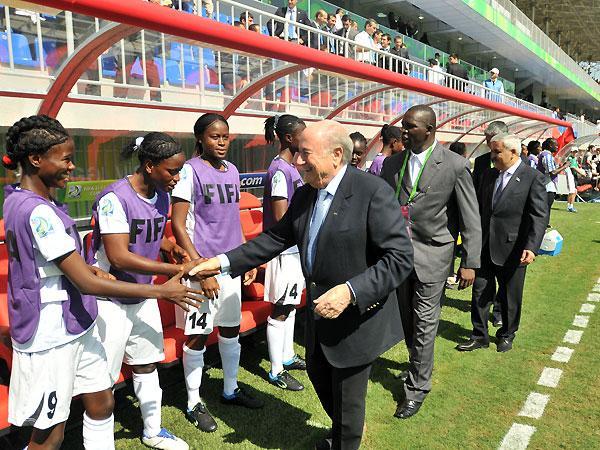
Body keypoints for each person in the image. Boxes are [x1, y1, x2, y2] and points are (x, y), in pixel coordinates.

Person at [190, 120, 414, 450]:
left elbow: (399, 258)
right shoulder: (307, 193)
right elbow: (276, 238)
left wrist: (351, 291)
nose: (297, 161)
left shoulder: (372, 192)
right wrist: (222, 262)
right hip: (319, 317)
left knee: (348, 402)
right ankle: (343, 432)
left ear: (336, 155)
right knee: (321, 378)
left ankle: (345, 439)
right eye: (297, 153)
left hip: (356, 320)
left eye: (305, 154)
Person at [2, 115, 203, 450]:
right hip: (51, 332)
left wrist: (91, 269)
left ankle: (151, 431)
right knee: (50, 436)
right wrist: (161, 289)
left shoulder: (30, 201)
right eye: (66, 159)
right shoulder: (37, 211)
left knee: (101, 402)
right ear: (36, 160)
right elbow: (87, 280)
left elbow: (53, 261)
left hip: (75, 323)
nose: (72, 166)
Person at [88, 133, 207, 450]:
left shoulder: (161, 194)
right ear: (150, 165)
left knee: (146, 364)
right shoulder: (115, 198)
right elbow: (118, 256)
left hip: (143, 295)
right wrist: (174, 270)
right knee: (102, 379)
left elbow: (147, 233)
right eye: (172, 171)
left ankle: (153, 432)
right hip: (109, 299)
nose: (177, 178)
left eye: (179, 171)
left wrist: (169, 246)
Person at [380, 105, 481, 419]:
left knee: (425, 322)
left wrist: (470, 262)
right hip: (399, 256)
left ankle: (416, 388)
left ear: (430, 129)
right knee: (408, 321)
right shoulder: (392, 164)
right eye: (403, 125)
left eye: (410, 126)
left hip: (434, 255)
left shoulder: (455, 165)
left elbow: (470, 218)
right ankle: (419, 364)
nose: (403, 131)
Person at [170, 113, 262, 434]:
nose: (222, 142)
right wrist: (199, 269)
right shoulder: (188, 171)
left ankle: (230, 389)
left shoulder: (232, 170)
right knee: (197, 335)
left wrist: (245, 259)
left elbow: (233, 220)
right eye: (214, 137)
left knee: (230, 328)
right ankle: (194, 402)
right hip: (202, 269)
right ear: (200, 138)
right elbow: (178, 225)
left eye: (225, 136)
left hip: (229, 265)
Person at [456, 134, 547, 352]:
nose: (493, 156)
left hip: (513, 249)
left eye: (497, 152)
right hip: (484, 246)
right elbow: (479, 210)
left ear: (513, 152)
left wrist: (531, 247)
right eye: (492, 151)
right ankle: (479, 335)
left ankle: (507, 334)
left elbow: (539, 216)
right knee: (480, 292)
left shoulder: (532, 177)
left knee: (509, 296)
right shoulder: (488, 175)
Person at [262, 115, 307, 391]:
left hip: (294, 249)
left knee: (290, 306)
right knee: (280, 308)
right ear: (289, 138)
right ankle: (276, 370)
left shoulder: (291, 168)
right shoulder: (279, 170)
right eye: (303, 134)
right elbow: (280, 217)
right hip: (283, 250)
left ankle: (287, 356)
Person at [471, 121, 509, 327]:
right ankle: (480, 328)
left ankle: (500, 312)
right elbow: (474, 192)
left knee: (505, 279)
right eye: (486, 140)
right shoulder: (481, 162)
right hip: (483, 229)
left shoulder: (519, 163)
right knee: (483, 280)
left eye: (491, 140)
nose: (488, 145)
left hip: (506, 233)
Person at [537, 138, 568, 225]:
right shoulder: (547, 155)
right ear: (550, 145)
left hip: (546, 184)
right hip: (547, 186)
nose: (557, 147)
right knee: (546, 208)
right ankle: (543, 226)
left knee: (546, 208)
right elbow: (552, 172)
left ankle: (544, 225)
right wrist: (564, 166)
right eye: (556, 145)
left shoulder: (545, 155)